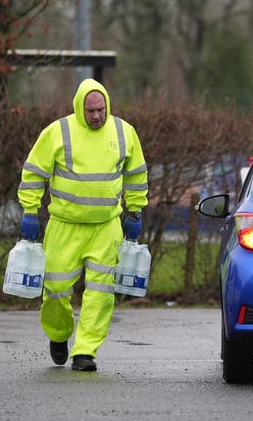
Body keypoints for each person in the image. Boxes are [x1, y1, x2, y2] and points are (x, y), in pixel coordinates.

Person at [17, 78, 148, 371]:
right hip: (65, 226)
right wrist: (29, 210)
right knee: (55, 291)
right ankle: (59, 334)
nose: (96, 116)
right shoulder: (57, 132)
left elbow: (136, 174)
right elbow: (34, 172)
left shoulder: (124, 132)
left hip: (106, 226)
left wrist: (135, 211)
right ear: (79, 108)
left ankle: (85, 351)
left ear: (107, 106)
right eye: (90, 111)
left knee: (101, 292)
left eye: (100, 109)